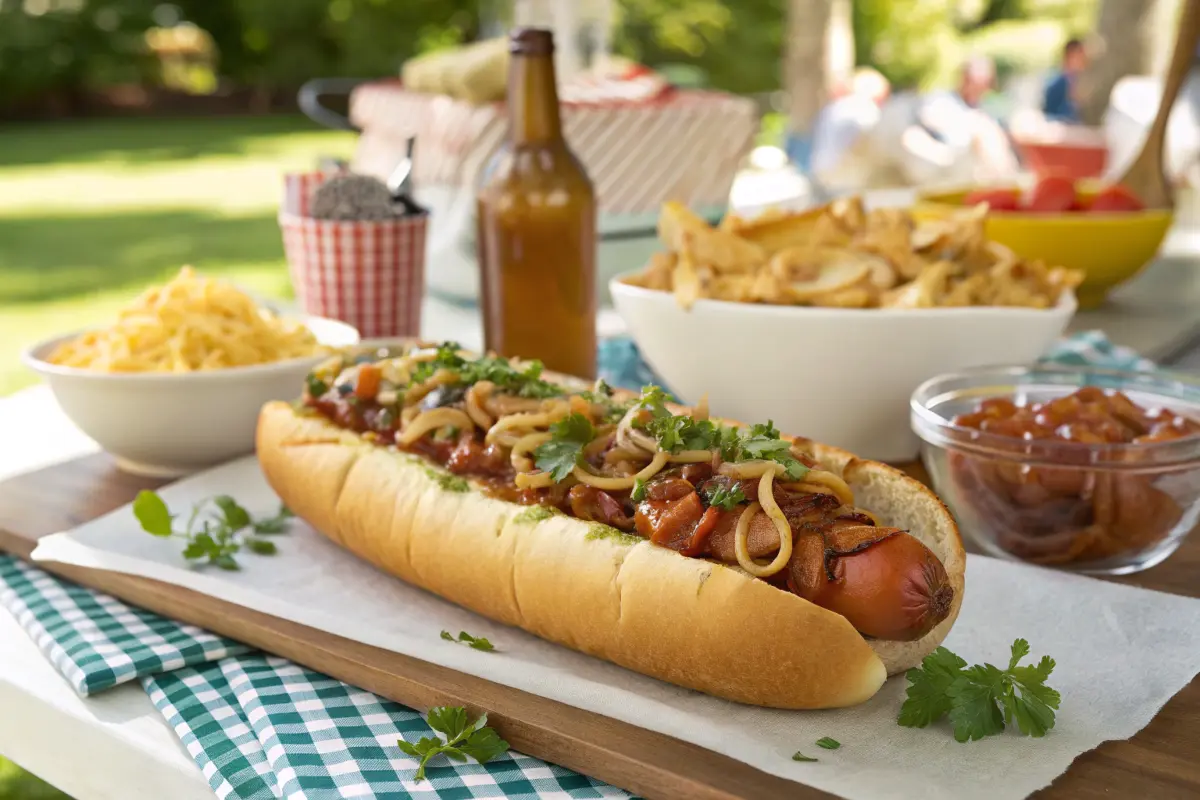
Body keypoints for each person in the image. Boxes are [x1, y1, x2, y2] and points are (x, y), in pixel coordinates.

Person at [871, 55, 1019, 187]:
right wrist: (968, 124)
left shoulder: (987, 106)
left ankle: (1005, 184)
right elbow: (929, 119)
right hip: (948, 151)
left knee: (990, 133)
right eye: (972, 80)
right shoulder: (943, 100)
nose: (977, 86)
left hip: (974, 159)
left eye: (983, 82)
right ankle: (1005, 183)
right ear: (963, 78)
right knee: (984, 132)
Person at [807, 68, 892, 196]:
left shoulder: (834, 107)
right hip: (846, 182)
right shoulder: (865, 108)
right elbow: (868, 145)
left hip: (820, 175)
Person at [1043, 38, 1089, 123]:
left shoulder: (1075, 81)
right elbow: (1049, 115)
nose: (1084, 61)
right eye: (1080, 56)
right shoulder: (1056, 84)